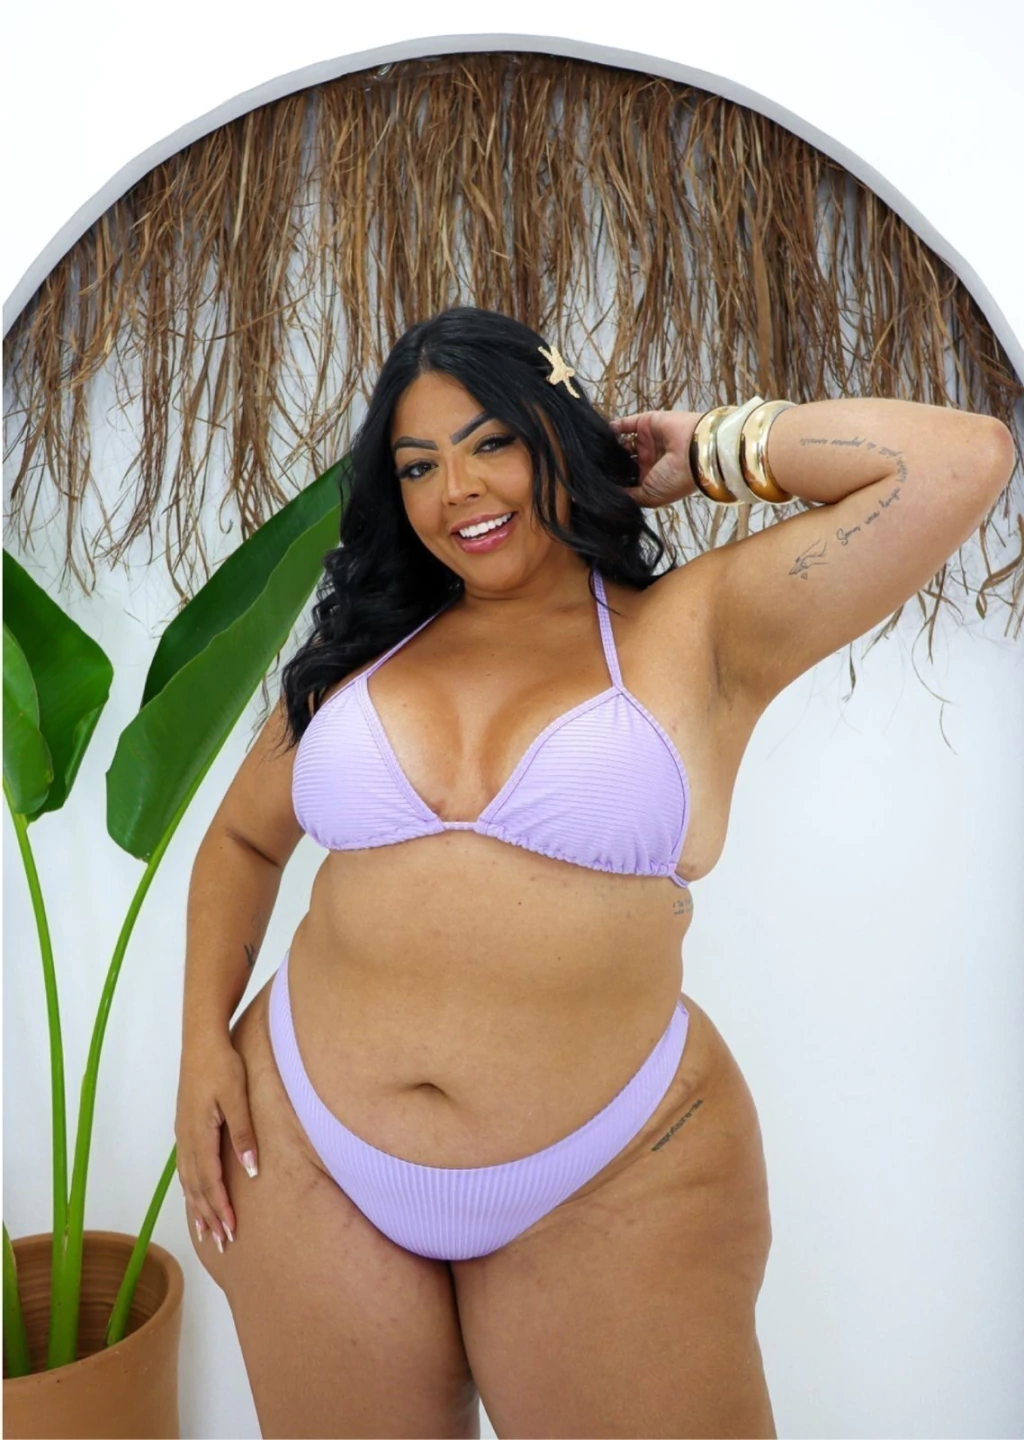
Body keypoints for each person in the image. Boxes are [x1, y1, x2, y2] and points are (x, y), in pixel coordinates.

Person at [174, 305, 1013, 1439]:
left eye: (492, 443)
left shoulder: (699, 629)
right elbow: (242, 840)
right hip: (304, 1147)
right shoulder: (362, 653)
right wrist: (200, 1046)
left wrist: (705, 449)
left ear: (557, 432)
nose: (457, 491)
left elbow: (959, 460)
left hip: (609, 1168)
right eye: (418, 465)